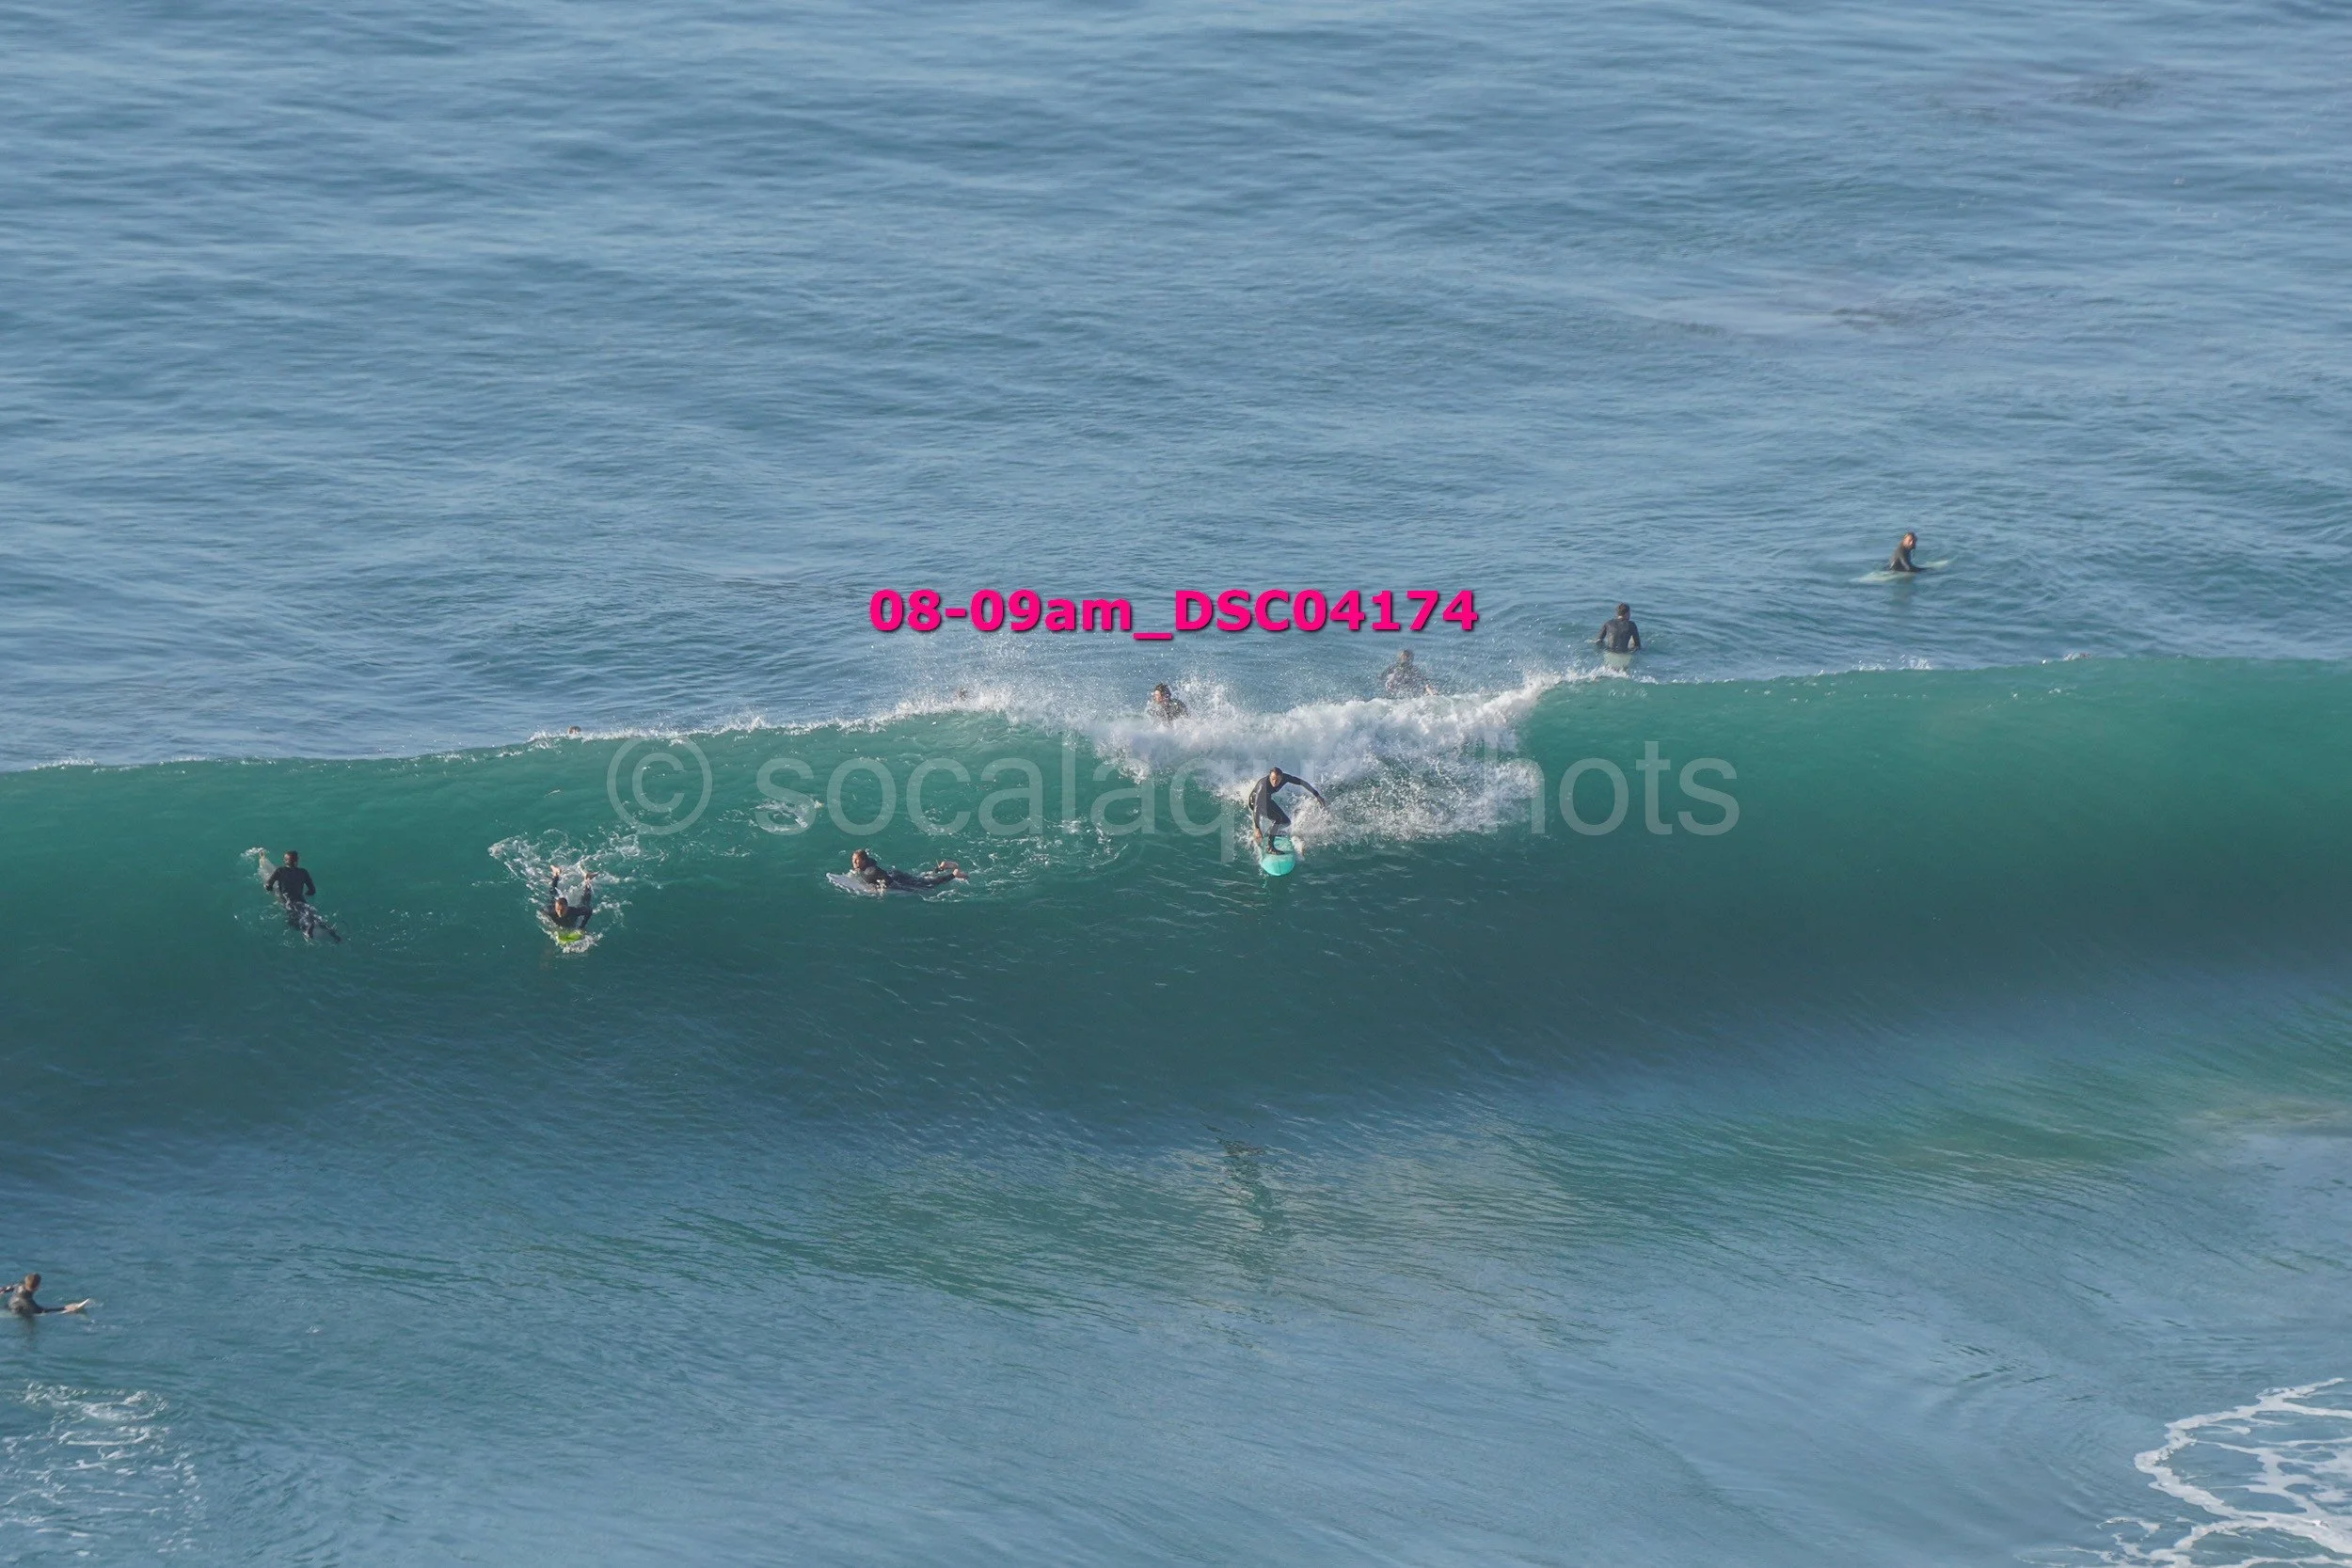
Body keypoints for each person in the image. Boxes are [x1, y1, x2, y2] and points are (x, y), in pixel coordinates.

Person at [263, 850, 341, 943]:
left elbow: (268, 885)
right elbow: (312, 891)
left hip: (289, 901)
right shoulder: (303, 872)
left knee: (295, 924)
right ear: (297, 861)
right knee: (313, 915)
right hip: (301, 900)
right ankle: (333, 934)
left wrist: (269, 888)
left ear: (285, 860)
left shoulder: (280, 870)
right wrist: (305, 894)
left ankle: (308, 930)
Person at [1248, 768, 1325, 847]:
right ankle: (1270, 847)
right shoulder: (1263, 786)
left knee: (1286, 822)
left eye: (1277, 780)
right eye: (1273, 779)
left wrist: (1317, 795)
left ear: (1282, 778)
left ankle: (1270, 833)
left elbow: (1302, 783)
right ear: (1269, 776)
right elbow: (1256, 808)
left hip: (1267, 799)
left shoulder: (1286, 778)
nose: (1274, 782)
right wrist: (1257, 829)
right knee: (1278, 818)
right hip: (1255, 802)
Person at [849, 848, 966, 892]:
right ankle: (940, 868)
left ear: (863, 861)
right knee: (920, 878)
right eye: (853, 859)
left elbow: (888, 880)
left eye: (856, 860)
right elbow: (874, 861)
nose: (853, 862)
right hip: (895, 874)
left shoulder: (871, 871)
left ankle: (954, 875)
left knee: (927, 886)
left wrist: (880, 891)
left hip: (895, 878)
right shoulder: (868, 863)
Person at [3, 1274, 89, 1317]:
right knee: (31, 1320)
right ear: (37, 1287)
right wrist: (65, 1308)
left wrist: (2, 1290)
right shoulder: (28, 1302)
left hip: (10, 1304)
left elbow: (10, 1287)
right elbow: (42, 1311)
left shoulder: (20, 1285)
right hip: (15, 1311)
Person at [547, 867, 595, 932]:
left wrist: (582, 927)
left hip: (572, 918)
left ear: (567, 908)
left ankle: (587, 880)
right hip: (554, 907)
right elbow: (542, 912)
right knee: (552, 894)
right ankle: (556, 874)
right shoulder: (551, 911)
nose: (560, 912)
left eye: (562, 909)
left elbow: (589, 911)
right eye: (558, 909)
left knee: (585, 901)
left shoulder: (574, 911)